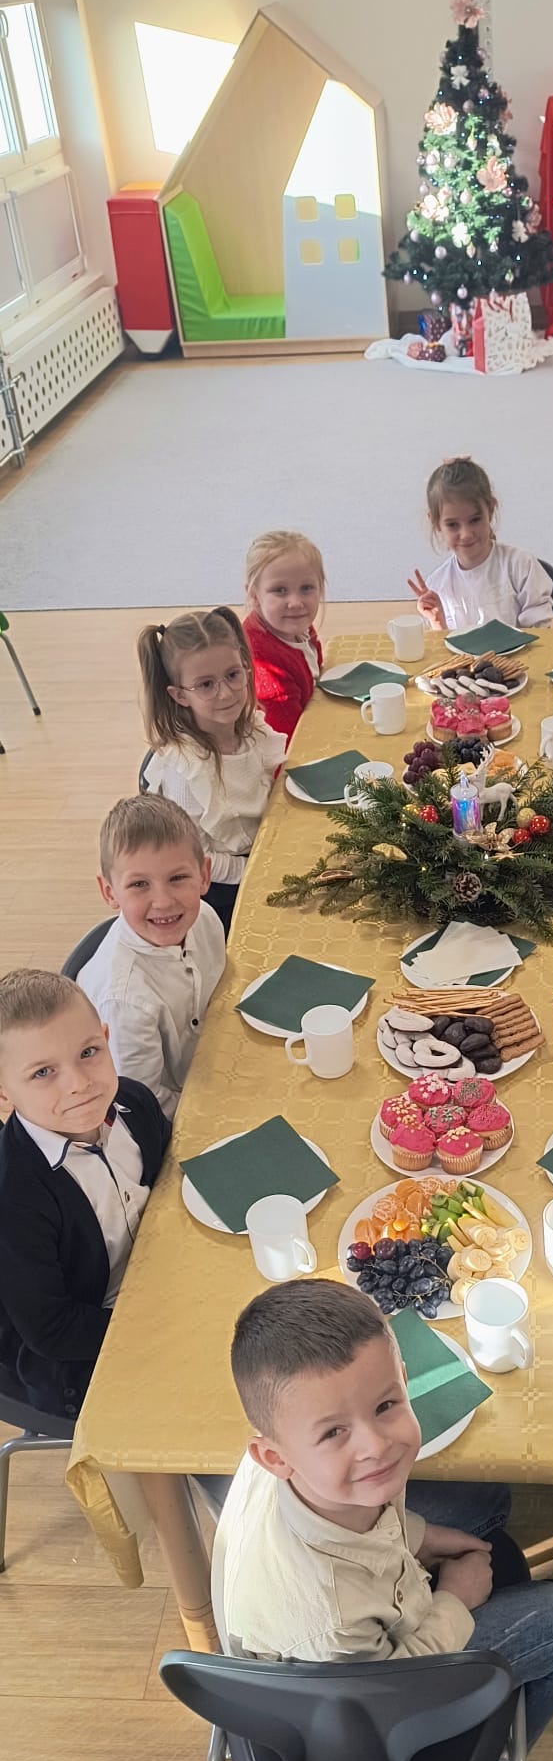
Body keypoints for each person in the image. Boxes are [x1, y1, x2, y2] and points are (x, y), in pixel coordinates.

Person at [214, 1280, 553, 1761]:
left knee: (488, 1509)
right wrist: (455, 1599)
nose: (377, 1445)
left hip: (367, 1623)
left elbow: (380, 1516)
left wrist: (426, 1537)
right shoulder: (327, 1611)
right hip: (361, 1709)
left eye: (386, 1405)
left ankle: (476, 1723)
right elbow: (392, 1692)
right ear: (275, 1457)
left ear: (403, 1380)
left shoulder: (325, 1476)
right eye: (334, 1432)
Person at [0, 969, 170, 1418]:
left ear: (107, 1040)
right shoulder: (13, 1199)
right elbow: (51, 1329)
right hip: (83, 1355)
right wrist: (160, 1328)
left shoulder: (134, 1103)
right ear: (3, 1095)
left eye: (88, 1052)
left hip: (158, 1276)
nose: (78, 1083)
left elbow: (171, 1176)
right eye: (43, 1072)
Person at [139, 606, 285, 934]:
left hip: (262, 851)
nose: (226, 693)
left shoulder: (251, 729)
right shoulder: (185, 773)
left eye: (233, 675)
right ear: (179, 696)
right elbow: (195, 860)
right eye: (205, 684)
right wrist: (258, 871)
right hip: (221, 890)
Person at [77, 795, 225, 1120]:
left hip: (214, 1058)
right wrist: (220, 1104)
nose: (163, 901)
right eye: (139, 884)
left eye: (177, 878)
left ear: (204, 875)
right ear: (109, 893)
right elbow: (143, 1104)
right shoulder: (125, 1001)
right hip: (173, 1113)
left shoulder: (205, 917)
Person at [408, 456, 553, 634]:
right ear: (436, 523)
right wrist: (438, 622)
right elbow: (446, 645)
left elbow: (542, 634)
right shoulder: (437, 584)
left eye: (475, 520)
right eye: (453, 525)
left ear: (490, 510)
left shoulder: (521, 565)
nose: (466, 534)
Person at [242, 530, 326, 747]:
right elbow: (289, 743)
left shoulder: (295, 626)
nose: (296, 602)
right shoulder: (263, 664)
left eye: (306, 588)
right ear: (254, 596)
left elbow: (314, 666)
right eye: (280, 590)